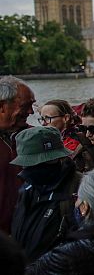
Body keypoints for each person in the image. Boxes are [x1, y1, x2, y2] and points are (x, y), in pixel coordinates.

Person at [10, 126, 81, 260]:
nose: (30, 168)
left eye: (43, 162)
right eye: (29, 163)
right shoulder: (27, 188)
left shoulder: (79, 189)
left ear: (59, 158)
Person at [0, 76, 35, 233]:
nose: (31, 111)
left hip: (24, 234)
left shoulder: (32, 136)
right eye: (25, 106)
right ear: (2, 107)